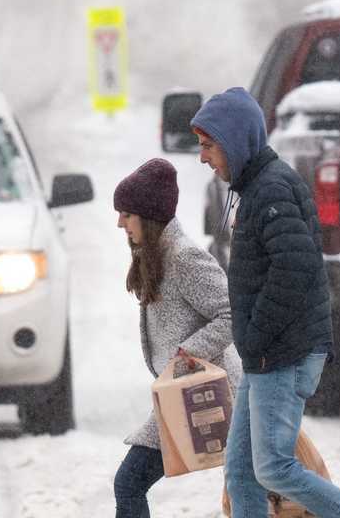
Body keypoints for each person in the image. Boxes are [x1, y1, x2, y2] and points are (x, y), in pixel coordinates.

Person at [189, 88, 340, 518]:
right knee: (240, 473)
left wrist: (256, 335)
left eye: (208, 145)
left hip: (282, 352)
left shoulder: (270, 190)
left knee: (273, 467)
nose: (202, 157)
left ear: (234, 141)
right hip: (269, 353)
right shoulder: (258, 188)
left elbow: (295, 267)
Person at [112, 158, 243, 518]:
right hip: (182, 393)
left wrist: (188, 352)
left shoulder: (185, 258)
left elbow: (232, 313)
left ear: (148, 216)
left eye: (126, 214)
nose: (120, 222)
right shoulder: (156, 256)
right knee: (249, 488)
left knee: (129, 482)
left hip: (214, 394)